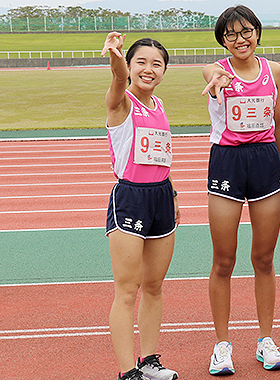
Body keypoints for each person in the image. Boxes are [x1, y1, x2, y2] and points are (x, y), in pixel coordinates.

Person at [201, 5, 280, 375]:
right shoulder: (216, 71)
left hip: (266, 162)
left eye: (246, 31)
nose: (240, 40)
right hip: (227, 162)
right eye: (231, 34)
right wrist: (217, 79)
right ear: (223, 40)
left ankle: (265, 340)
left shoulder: (275, 71)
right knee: (224, 260)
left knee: (264, 258)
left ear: (257, 32)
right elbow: (212, 72)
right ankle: (221, 345)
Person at [101, 32, 179, 380]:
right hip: (130, 197)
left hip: (161, 198)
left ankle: (150, 361)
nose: (149, 69)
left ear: (164, 70)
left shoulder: (159, 105)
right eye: (141, 62)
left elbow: (161, 156)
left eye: (157, 64)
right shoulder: (122, 102)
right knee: (127, 288)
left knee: (154, 286)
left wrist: (173, 194)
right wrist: (116, 57)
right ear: (131, 67)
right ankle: (126, 370)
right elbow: (118, 78)